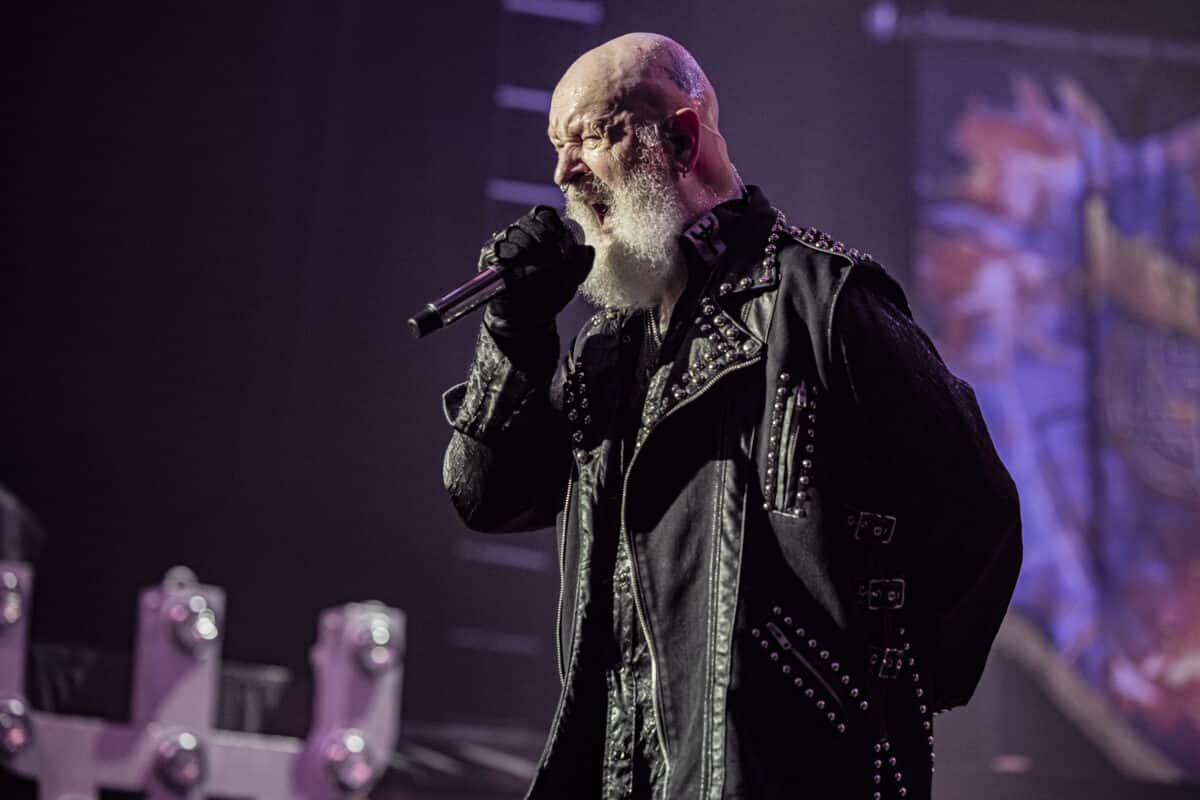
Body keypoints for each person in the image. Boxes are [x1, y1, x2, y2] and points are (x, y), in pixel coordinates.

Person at [440, 32, 1021, 800]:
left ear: (681, 138)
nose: (564, 173)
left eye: (593, 135)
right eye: (557, 145)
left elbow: (976, 520)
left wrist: (862, 702)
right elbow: (488, 497)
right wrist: (514, 335)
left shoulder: (828, 304)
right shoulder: (606, 352)